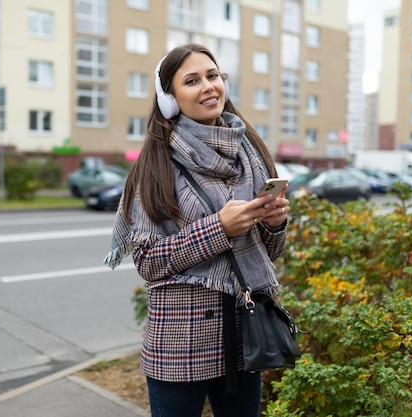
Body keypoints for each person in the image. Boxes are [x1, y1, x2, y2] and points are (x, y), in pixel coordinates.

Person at [104, 43, 289, 417]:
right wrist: (219, 228)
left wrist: (274, 224)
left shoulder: (250, 154)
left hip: (244, 333)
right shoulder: (155, 167)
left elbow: (271, 250)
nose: (208, 86)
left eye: (213, 75)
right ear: (170, 99)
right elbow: (147, 261)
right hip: (180, 343)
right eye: (191, 80)